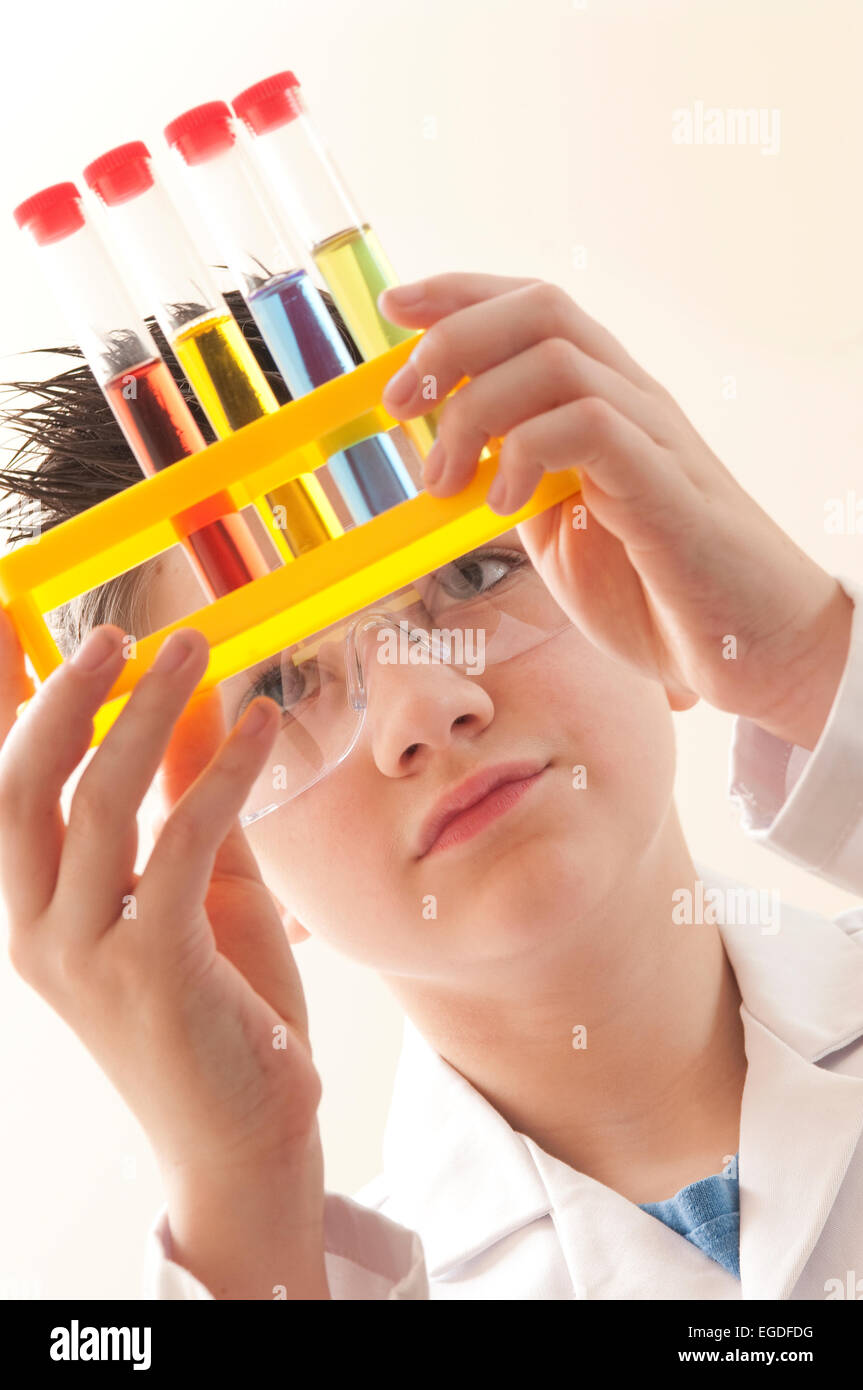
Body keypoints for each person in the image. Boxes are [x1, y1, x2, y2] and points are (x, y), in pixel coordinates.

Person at [0, 273, 860, 1300]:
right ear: (215, 849)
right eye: (278, 682)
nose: (423, 710)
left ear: (661, 593)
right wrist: (242, 1189)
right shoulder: (291, 1270)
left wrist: (809, 661)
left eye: (473, 574)